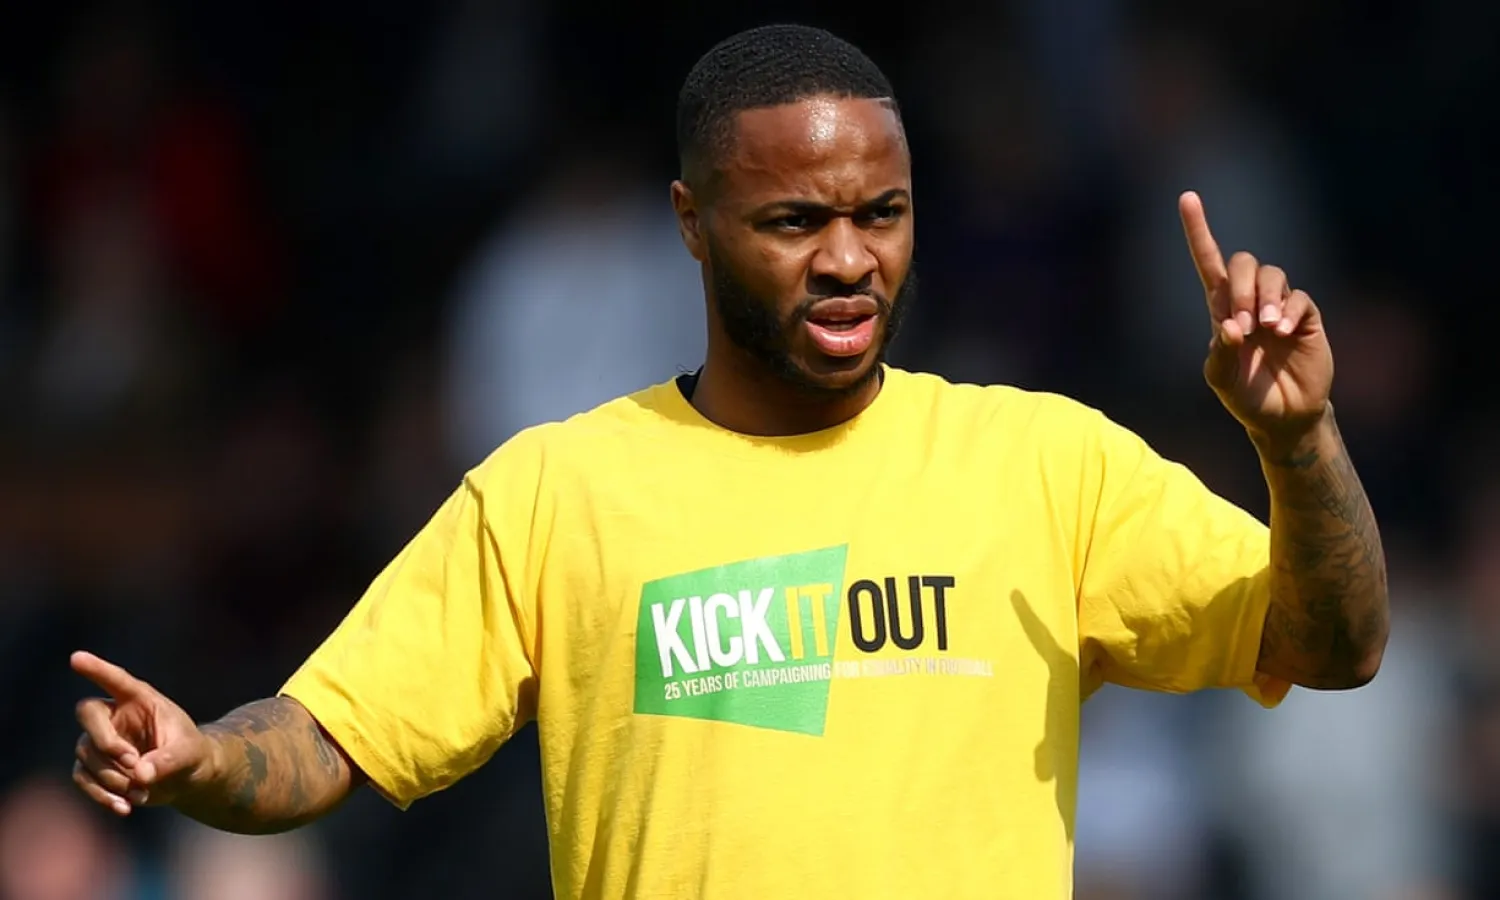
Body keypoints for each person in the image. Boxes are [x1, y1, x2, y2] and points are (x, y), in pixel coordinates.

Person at [67, 24, 1389, 900]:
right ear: (692, 224)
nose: (850, 257)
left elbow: (1332, 645)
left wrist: (1298, 441)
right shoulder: (560, 491)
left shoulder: (1045, 464)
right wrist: (203, 761)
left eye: (883, 213)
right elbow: (327, 738)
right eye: (795, 220)